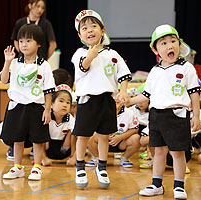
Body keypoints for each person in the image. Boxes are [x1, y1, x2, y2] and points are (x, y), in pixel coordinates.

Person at [128, 24, 201, 199]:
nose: (169, 46)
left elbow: (194, 93)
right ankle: (156, 184)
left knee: (177, 152)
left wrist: (196, 115)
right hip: (156, 116)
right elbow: (146, 95)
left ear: (179, 44)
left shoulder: (187, 68)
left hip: (177, 115)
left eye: (173, 41)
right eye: (163, 43)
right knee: (158, 152)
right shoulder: (154, 71)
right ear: (156, 50)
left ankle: (179, 185)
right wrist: (128, 101)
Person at [72, 10, 132, 188]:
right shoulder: (79, 53)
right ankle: (80, 167)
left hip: (106, 101)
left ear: (102, 30)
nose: (89, 30)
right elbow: (83, 66)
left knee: (104, 136)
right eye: (85, 28)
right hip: (87, 101)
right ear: (80, 35)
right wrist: (90, 56)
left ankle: (102, 167)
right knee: (83, 136)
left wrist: (123, 91)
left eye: (93, 26)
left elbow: (124, 73)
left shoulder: (112, 54)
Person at [0, 24, 55, 181]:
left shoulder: (44, 65)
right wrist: (7, 62)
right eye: (21, 41)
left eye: (28, 40)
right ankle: (17, 167)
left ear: (38, 43)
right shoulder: (15, 62)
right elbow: (4, 80)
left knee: (38, 140)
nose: (24, 44)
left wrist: (47, 109)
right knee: (17, 139)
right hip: (17, 107)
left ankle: (36, 167)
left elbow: (48, 89)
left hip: (36, 107)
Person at [86, 96, 140, 168]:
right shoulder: (100, 111)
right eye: (113, 96)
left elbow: (135, 129)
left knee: (136, 138)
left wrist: (120, 137)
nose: (116, 98)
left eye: (119, 96)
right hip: (102, 140)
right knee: (89, 135)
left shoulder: (130, 113)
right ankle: (97, 157)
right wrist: (105, 134)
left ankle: (125, 158)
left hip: (122, 142)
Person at [41, 84, 76, 166]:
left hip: (64, 149)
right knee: (41, 130)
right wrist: (43, 158)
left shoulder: (70, 118)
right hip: (47, 148)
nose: (65, 105)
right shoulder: (46, 115)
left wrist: (73, 157)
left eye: (68, 102)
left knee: (74, 132)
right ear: (51, 105)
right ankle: (42, 157)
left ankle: (73, 157)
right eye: (61, 101)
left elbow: (77, 136)